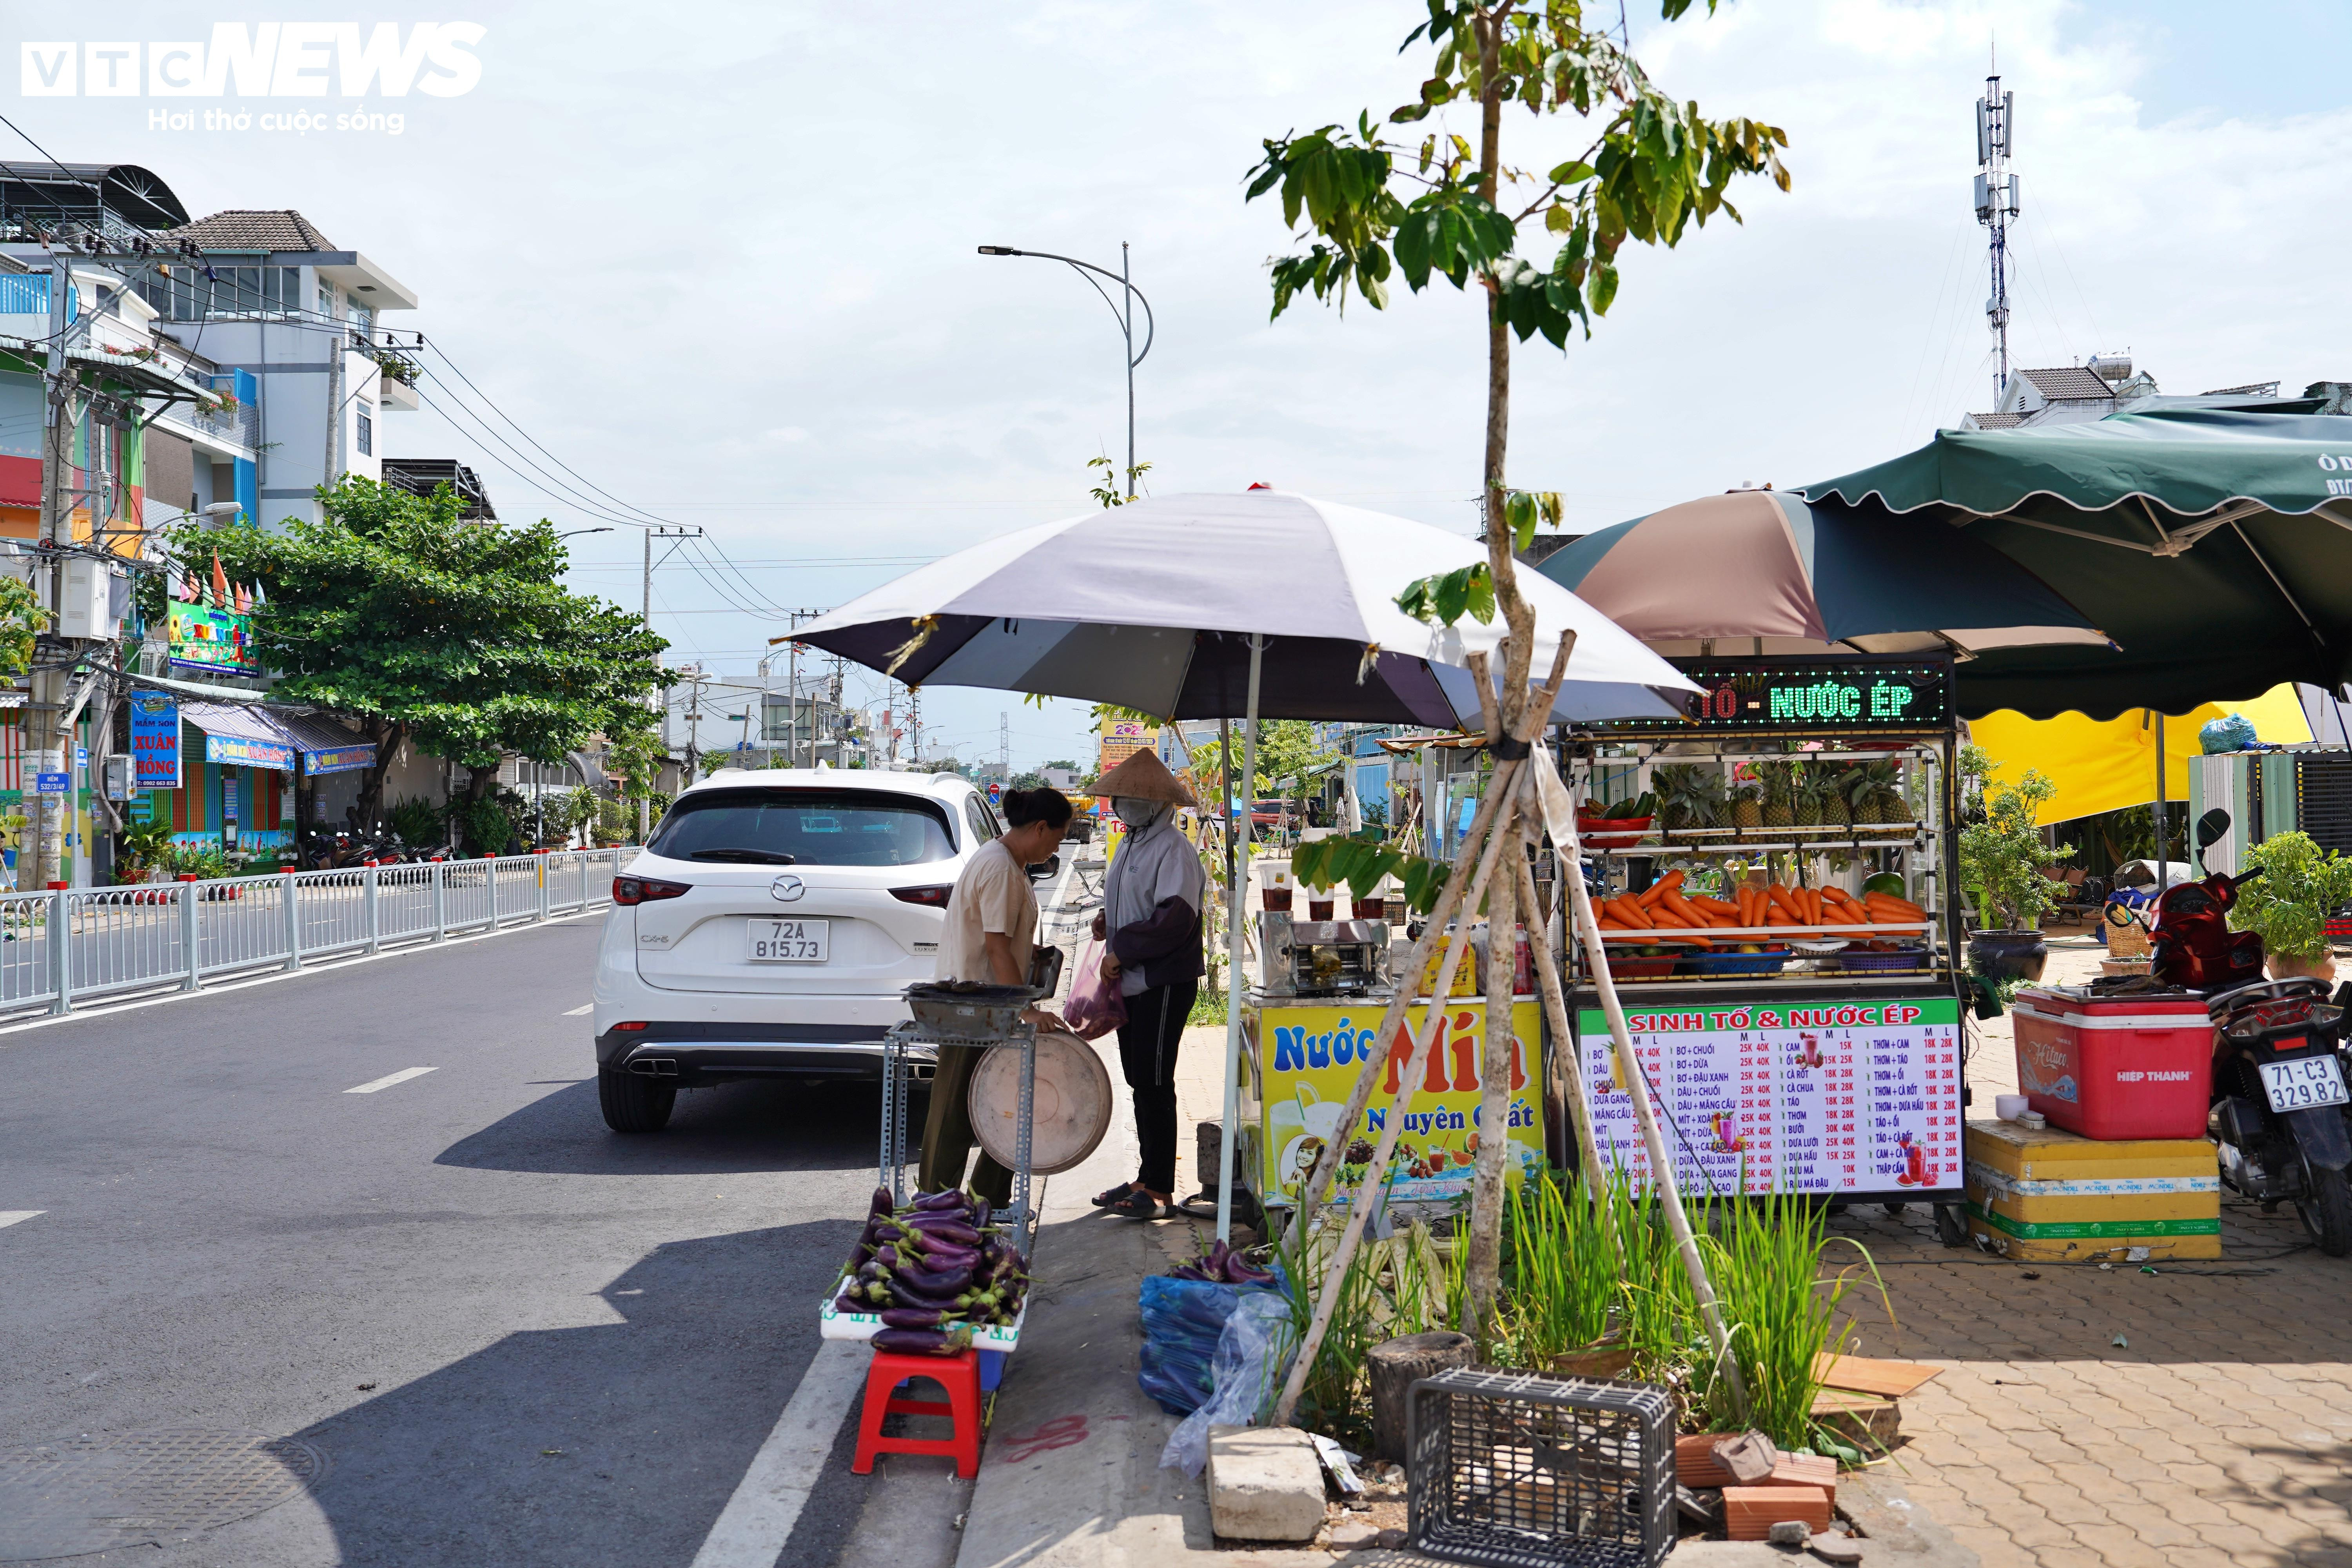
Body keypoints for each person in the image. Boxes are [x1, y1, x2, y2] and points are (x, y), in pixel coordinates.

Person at [916, 786, 1072, 1206]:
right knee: (955, 1110)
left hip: (989, 1003)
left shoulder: (1009, 862)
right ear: (1040, 828)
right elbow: (997, 946)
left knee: (1008, 1102)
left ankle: (989, 1196)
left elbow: (1006, 939)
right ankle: (935, 1199)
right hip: (974, 1004)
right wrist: (1027, 1010)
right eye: (1057, 837)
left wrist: (1033, 953)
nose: (1057, 846)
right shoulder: (1000, 867)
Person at [1086, 750, 1206, 1220]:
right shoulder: (1132, 842)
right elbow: (1132, 902)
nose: (1122, 802)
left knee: (1155, 1081)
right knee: (1140, 1079)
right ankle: (1146, 1175)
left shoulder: (1173, 848)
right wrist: (1106, 922)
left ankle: (1159, 1188)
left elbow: (1174, 919)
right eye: (1121, 795)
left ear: (1155, 803)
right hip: (1132, 979)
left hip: (1163, 981)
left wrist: (1125, 947)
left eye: (1132, 796)